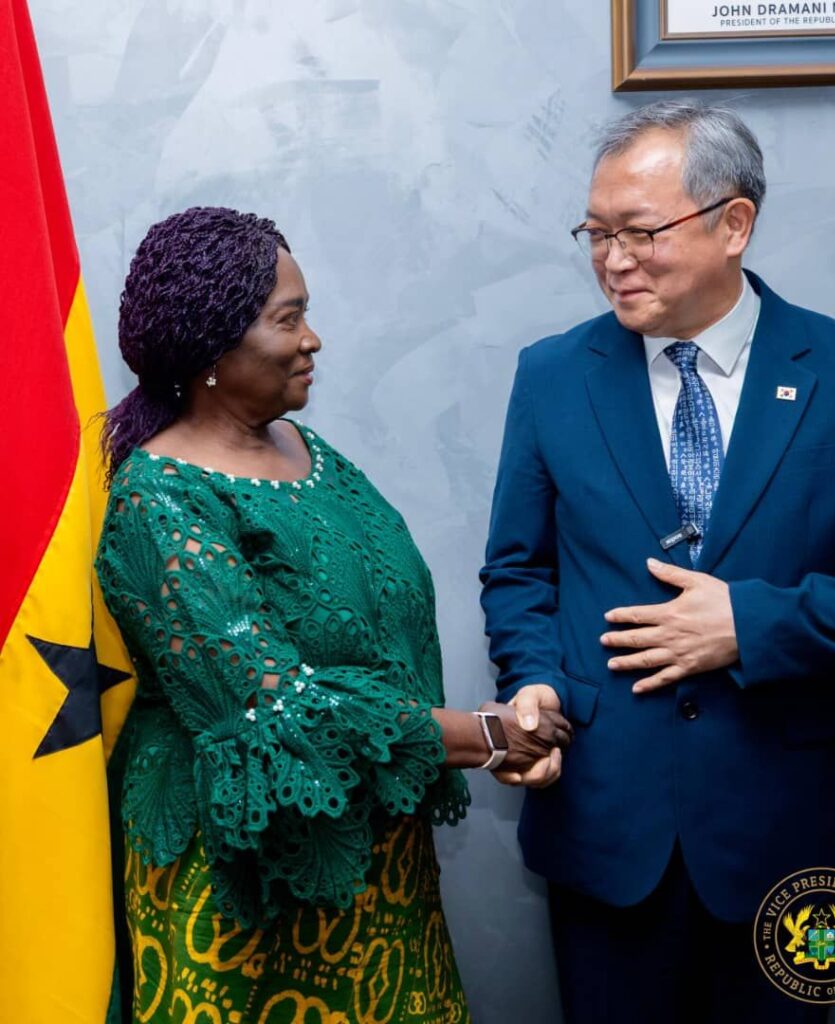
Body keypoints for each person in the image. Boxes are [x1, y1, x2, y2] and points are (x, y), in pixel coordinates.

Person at [479, 99, 835, 1023]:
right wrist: (533, 682)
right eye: (596, 233)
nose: (613, 260)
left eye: (640, 232)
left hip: (790, 826)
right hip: (606, 826)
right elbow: (519, 572)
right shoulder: (552, 374)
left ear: (734, 224)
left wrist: (747, 625)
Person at [95, 206, 570, 1024]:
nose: (312, 339)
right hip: (245, 895)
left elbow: (383, 628)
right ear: (211, 349)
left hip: (377, 862)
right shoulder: (158, 497)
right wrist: (483, 737)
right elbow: (276, 708)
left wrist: (481, 729)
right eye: (289, 319)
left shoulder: (309, 454)